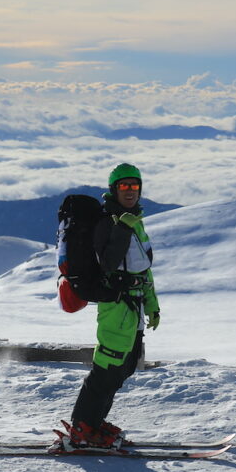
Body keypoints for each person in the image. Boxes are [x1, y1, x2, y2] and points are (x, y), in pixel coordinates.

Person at [60, 163, 160, 449]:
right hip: (116, 306)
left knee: (126, 366)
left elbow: (143, 268)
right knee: (107, 368)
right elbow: (108, 262)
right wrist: (122, 229)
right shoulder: (109, 222)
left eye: (135, 186)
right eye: (124, 186)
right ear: (114, 189)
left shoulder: (133, 219)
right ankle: (82, 427)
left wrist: (153, 305)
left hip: (135, 305)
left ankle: (94, 423)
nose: (130, 191)